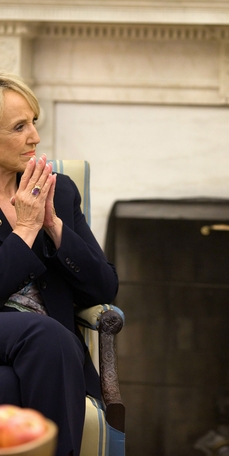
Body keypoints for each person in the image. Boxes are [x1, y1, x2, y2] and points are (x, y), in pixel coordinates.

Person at [0, 72, 118, 456]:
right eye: (20, 127)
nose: (34, 137)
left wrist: (53, 226)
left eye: (34, 122)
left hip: (47, 355)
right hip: (40, 340)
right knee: (47, 336)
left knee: (9, 382)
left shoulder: (58, 189)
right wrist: (26, 229)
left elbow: (103, 288)